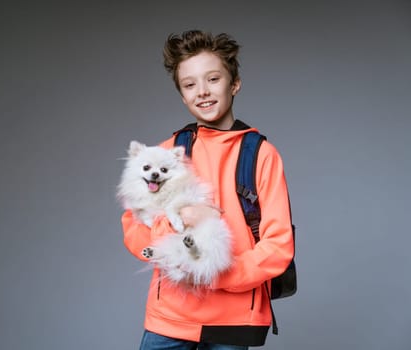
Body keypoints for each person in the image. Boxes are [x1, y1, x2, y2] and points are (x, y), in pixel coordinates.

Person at [121, 30, 295, 349]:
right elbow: (134, 226)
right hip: (170, 317)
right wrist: (182, 217)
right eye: (190, 85)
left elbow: (278, 245)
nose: (202, 91)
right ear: (182, 95)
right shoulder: (166, 152)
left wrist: (212, 274)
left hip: (235, 319)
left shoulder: (261, 155)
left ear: (235, 83)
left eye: (213, 79)